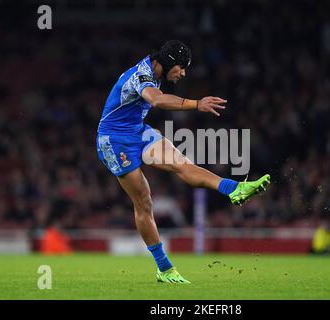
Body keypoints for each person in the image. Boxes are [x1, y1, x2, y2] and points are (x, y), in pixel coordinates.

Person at [96, 40, 270, 284]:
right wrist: (196, 104)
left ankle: (234, 188)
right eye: (181, 67)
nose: (183, 73)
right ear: (168, 62)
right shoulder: (141, 76)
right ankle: (164, 268)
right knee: (144, 201)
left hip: (137, 131)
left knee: (182, 163)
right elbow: (156, 100)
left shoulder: (154, 73)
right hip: (113, 140)